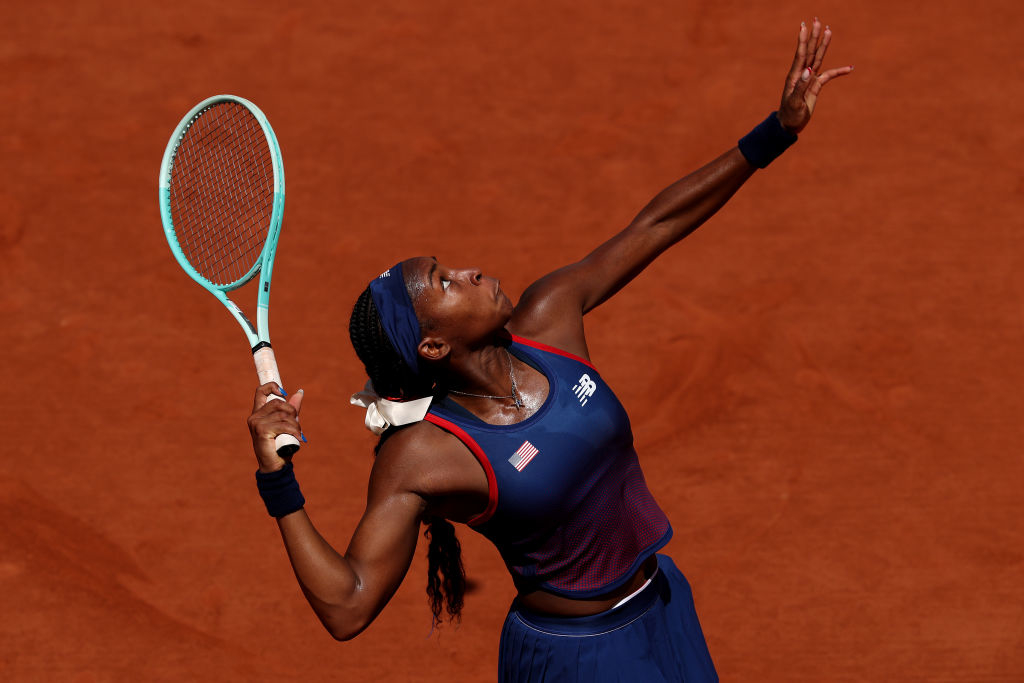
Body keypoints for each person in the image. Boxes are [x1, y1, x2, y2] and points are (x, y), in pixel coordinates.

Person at [247, 18, 851, 682]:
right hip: (575, 657)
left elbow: (656, 224)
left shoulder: (549, 317)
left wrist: (776, 132)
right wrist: (279, 482)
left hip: (663, 608)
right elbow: (349, 604)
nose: (472, 272)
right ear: (434, 342)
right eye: (445, 282)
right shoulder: (424, 453)